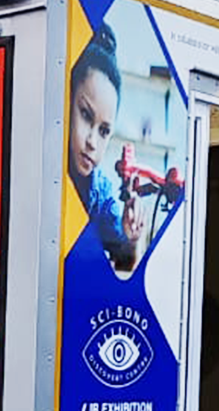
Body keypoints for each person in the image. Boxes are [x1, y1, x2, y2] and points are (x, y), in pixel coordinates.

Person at [66, 24, 148, 272]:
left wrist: (133, 238)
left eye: (104, 131)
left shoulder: (101, 192)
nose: (92, 141)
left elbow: (125, 264)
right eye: (85, 114)